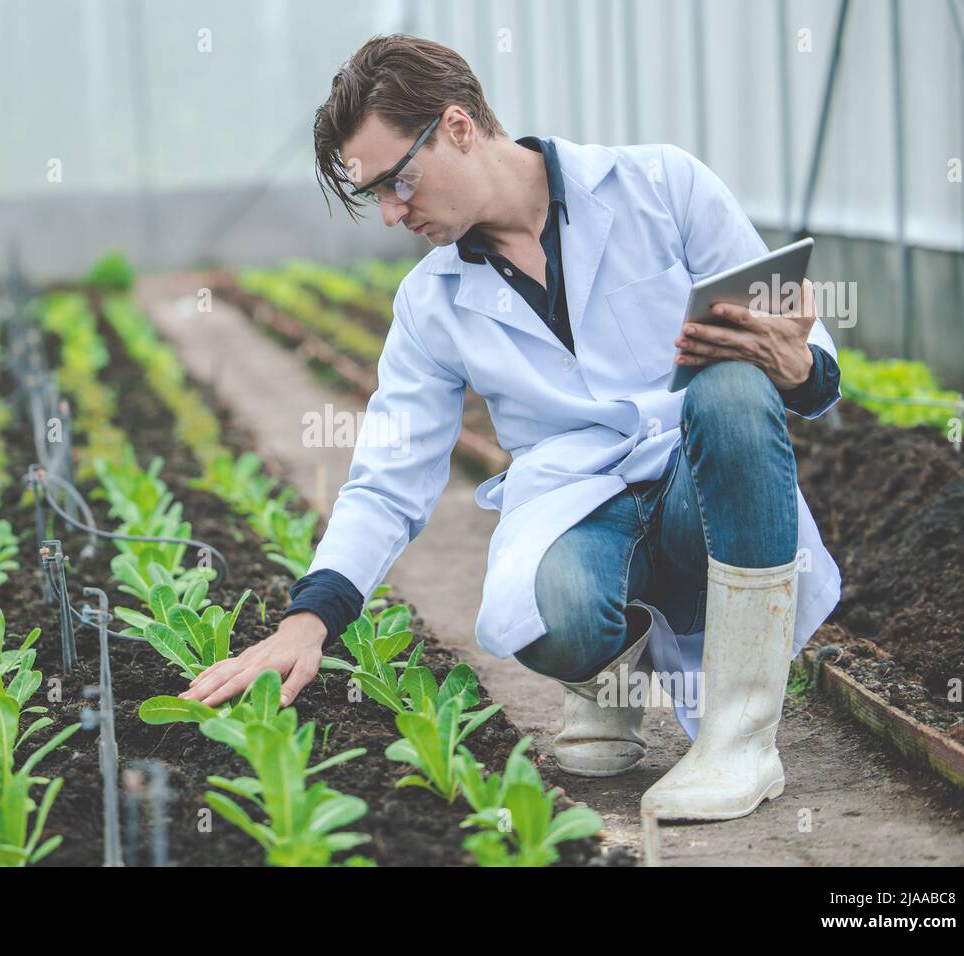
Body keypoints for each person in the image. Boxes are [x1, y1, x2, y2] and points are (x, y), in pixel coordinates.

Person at [181, 34, 843, 823]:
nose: (392, 213)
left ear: (458, 126)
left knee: (732, 388)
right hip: (581, 500)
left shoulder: (660, 185)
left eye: (398, 181)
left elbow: (809, 349)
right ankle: (606, 676)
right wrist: (307, 619)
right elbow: (389, 476)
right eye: (376, 196)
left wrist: (796, 365)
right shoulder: (432, 301)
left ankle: (741, 740)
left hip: (698, 486)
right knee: (549, 611)